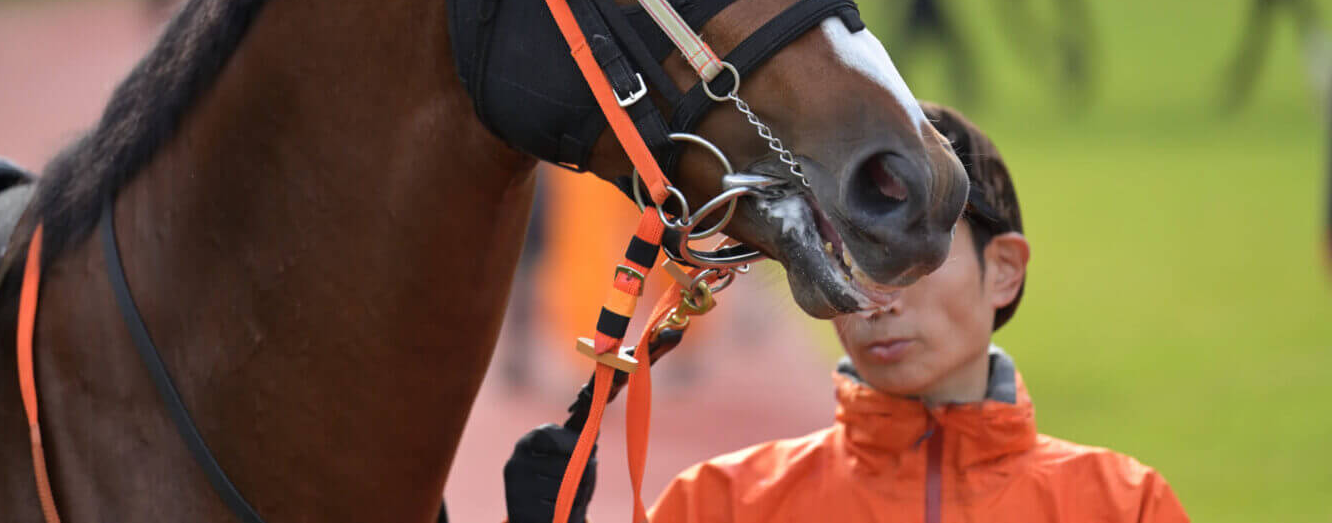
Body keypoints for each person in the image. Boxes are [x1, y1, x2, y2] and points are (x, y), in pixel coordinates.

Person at [504, 102, 1190, 523]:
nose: (873, 296)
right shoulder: (722, 506)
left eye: (916, 249)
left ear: (1003, 269)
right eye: (848, 257)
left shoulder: (1122, 506)